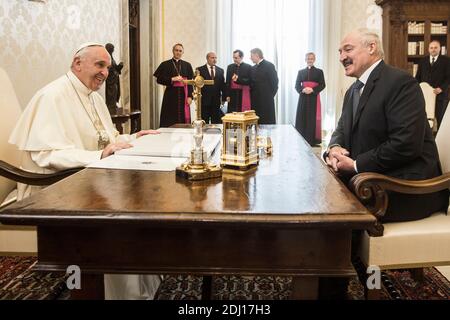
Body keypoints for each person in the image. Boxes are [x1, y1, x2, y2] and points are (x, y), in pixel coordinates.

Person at [9, 42, 161, 299]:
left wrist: (135, 137)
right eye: (99, 65)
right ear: (77, 63)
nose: (105, 72)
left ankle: (143, 287)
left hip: (83, 178)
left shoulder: (93, 96)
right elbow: (47, 155)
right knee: (120, 215)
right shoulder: (52, 96)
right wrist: (98, 155)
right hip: (50, 188)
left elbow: (107, 139)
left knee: (142, 200)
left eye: (108, 67)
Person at [324, 29, 449, 223]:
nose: (342, 57)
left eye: (347, 49)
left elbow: (406, 144)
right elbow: (341, 129)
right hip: (370, 179)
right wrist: (335, 148)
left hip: (403, 187)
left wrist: (356, 165)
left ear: (372, 47)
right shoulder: (352, 91)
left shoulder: (400, 82)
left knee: (329, 210)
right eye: (339, 52)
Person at [153, 43, 194, 127]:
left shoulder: (187, 65)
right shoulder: (165, 64)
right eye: (176, 50)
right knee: (169, 116)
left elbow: (190, 82)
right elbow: (159, 79)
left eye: (180, 51)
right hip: (170, 95)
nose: (178, 52)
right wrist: (172, 79)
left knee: (183, 118)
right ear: (173, 51)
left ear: (182, 52)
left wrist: (190, 96)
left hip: (184, 94)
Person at [415, 40, 450, 130]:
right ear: (428, 49)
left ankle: (439, 140)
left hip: (440, 95)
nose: (433, 49)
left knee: (440, 118)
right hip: (425, 96)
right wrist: (418, 88)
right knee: (424, 118)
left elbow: (448, 78)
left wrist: (441, 88)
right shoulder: (423, 61)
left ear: (440, 49)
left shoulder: (446, 61)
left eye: (435, 48)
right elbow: (417, 77)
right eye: (431, 48)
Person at [295, 52, 326, 146]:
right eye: (308, 58)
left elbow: (322, 84)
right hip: (303, 98)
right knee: (302, 117)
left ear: (314, 59)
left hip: (314, 98)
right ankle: (300, 139)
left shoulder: (319, 72)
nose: (310, 60)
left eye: (311, 58)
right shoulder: (300, 72)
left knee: (312, 118)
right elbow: (297, 85)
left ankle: (312, 140)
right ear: (305, 60)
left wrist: (312, 90)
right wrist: (303, 89)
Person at [249, 48, 279, 124]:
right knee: (256, 122)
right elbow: (251, 83)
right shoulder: (253, 68)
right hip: (255, 100)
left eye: (251, 56)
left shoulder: (269, 65)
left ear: (257, 55)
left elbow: (275, 82)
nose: (250, 58)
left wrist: (269, 96)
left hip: (266, 100)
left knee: (267, 122)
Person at [196, 52, 225, 123]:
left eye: (215, 58)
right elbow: (196, 84)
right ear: (207, 58)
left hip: (216, 101)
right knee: (204, 122)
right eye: (212, 58)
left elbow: (223, 85)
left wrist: (224, 98)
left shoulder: (220, 70)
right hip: (204, 101)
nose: (214, 60)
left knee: (216, 122)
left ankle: (215, 134)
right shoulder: (199, 70)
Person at [105, 43, 123, 114]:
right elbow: (109, 71)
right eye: (112, 49)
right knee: (112, 93)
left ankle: (114, 104)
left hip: (114, 80)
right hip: (111, 82)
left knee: (115, 92)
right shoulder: (107, 59)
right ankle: (111, 106)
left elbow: (114, 69)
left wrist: (119, 67)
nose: (113, 50)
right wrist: (117, 70)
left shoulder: (111, 58)